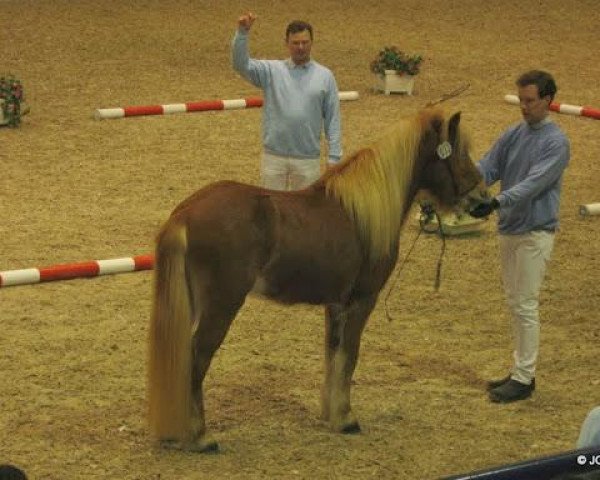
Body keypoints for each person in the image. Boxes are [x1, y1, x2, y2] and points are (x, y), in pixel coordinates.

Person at [470, 70, 570, 403]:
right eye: (521, 101)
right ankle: (519, 369)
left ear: (547, 100)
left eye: (530, 101)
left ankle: (525, 377)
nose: (524, 108)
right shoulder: (513, 134)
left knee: (525, 304)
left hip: (535, 231)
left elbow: (534, 185)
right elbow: (489, 166)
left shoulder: (557, 143)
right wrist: (463, 179)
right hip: (510, 228)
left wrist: (497, 200)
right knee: (515, 302)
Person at [232, 12, 342, 191]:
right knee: (272, 215)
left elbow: (333, 119)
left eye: (305, 43)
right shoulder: (271, 71)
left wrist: (334, 158)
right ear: (286, 43)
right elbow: (240, 65)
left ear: (312, 43)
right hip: (274, 158)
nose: (300, 47)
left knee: (305, 216)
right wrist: (242, 34)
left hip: (308, 160)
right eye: (295, 43)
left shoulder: (325, 76)